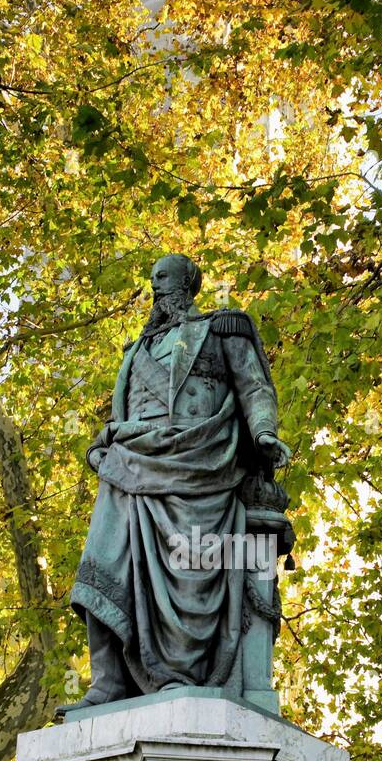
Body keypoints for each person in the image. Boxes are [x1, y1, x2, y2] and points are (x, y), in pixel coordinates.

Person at [70, 254, 291, 706]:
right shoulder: (135, 350)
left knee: (189, 574)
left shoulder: (221, 329)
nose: (155, 284)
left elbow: (253, 386)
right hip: (130, 463)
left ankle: (177, 674)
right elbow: (122, 411)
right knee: (103, 562)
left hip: (200, 462)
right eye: (152, 278)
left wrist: (264, 432)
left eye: (164, 277)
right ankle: (107, 679)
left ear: (188, 283)